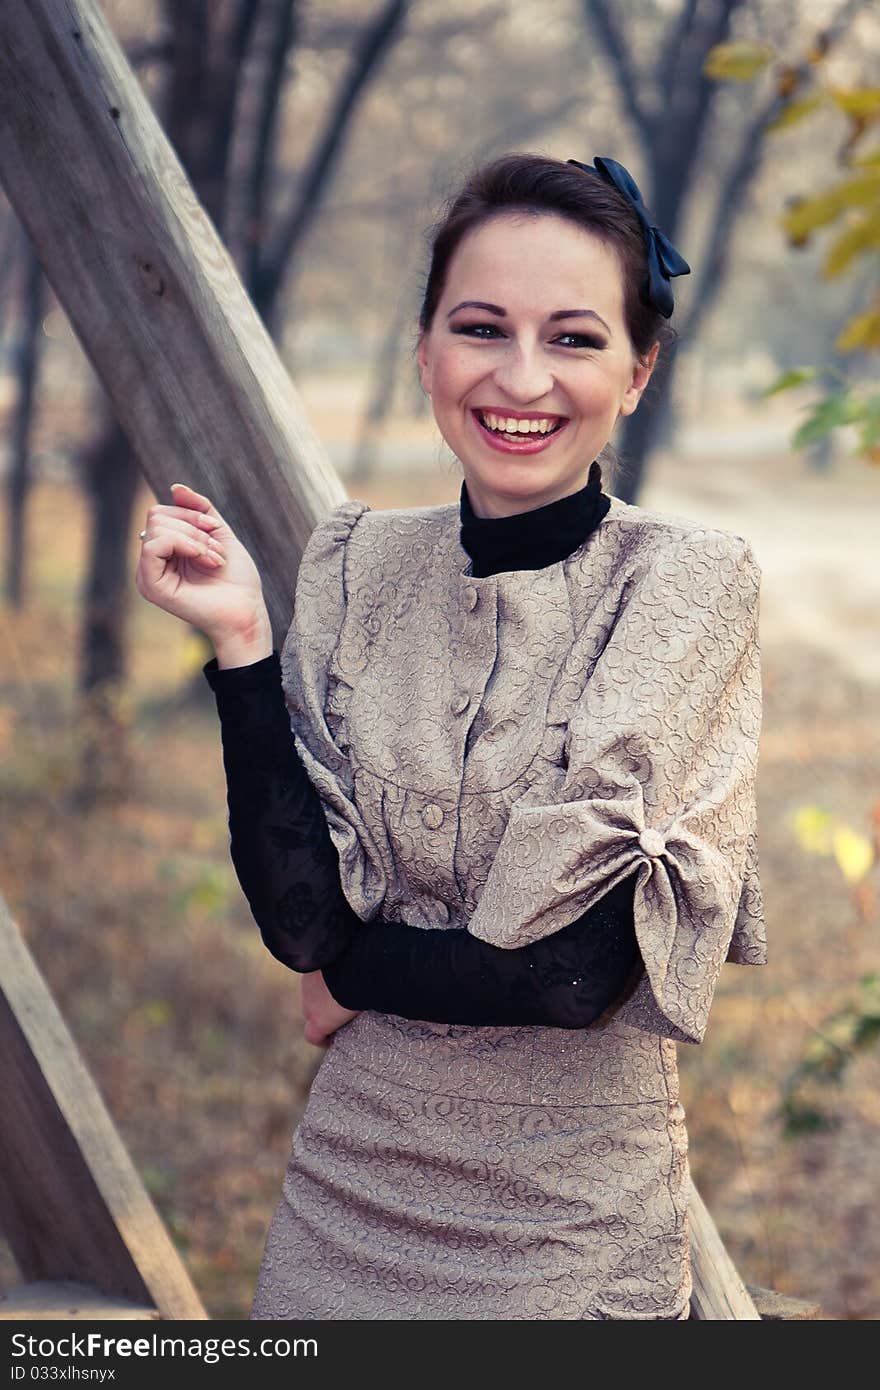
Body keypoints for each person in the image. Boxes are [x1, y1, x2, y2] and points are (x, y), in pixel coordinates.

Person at [135, 153, 766, 1321]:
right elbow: (303, 919)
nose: (520, 375)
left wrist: (353, 973)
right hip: (347, 1187)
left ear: (639, 372)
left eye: (575, 338)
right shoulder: (351, 560)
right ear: (424, 350)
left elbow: (573, 974)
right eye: (481, 327)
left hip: (566, 1220)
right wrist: (241, 645)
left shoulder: (687, 586)